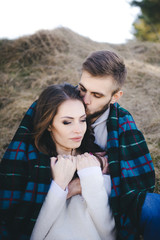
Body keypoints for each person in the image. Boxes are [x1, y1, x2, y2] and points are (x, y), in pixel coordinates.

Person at [1, 50, 159, 240]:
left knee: (154, 206)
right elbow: (21, 162)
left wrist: (92, 172)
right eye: (83, 88)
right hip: (51, 192)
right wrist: (61, 183)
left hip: (102, 197)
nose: (84, 100)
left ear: (115, 97)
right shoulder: (53, 106)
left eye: (97, 95)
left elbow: (133, 181)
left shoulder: (122, 122)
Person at [0, 83, 115, 240]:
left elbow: (110, 234)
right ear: (48, 124)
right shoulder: (34, 165)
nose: (78, 129)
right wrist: (60, 186)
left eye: (82, 120)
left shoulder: (98, 161)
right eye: (67, 122)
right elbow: (26, 234)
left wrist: (90, 178)